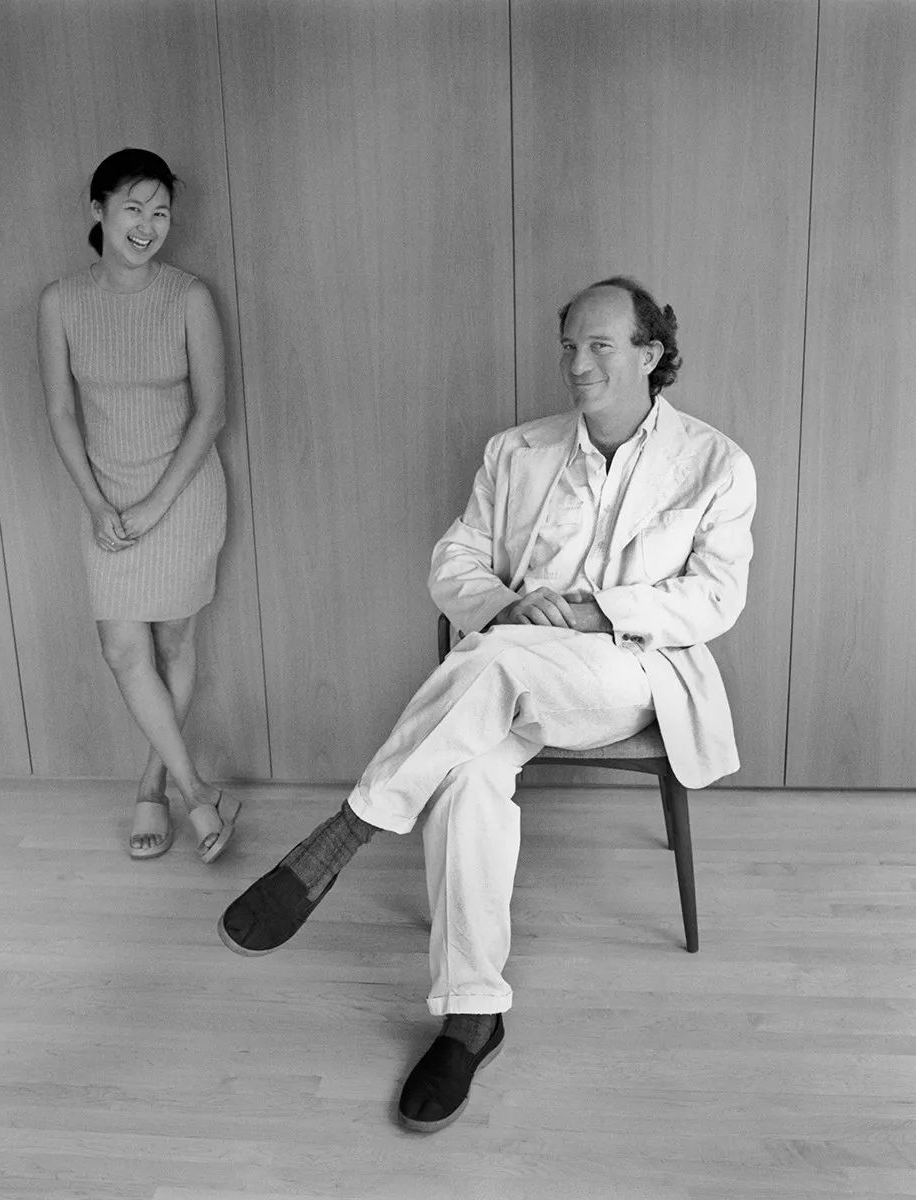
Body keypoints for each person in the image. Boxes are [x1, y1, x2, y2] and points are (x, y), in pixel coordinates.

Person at [217, 277, 756, 1131]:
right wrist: (509, 606)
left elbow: (715, 598)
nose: (577, 364)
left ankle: (340, 837)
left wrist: (597, 611)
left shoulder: (716, 463)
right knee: (467, 775)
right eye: (569, 346)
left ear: (650, 354)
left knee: (493, 664)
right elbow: (454, 561)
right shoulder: (517, 451)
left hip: (627, 671)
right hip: (506, 670)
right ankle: (472, 1015)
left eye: (600, 346)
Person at [38, 148, 240, 863]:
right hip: (106, 498)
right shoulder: (60, 301)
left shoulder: (189, 297)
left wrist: (156, 505)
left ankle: (154, 787)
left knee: (174, 643)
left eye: (160, 212)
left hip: (182, 495)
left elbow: (211, 412)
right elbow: (61, 413)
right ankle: (198, 792)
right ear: (98, 210)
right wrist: (97, 504)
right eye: (133, 208)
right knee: (122, 650)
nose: (147, 225)